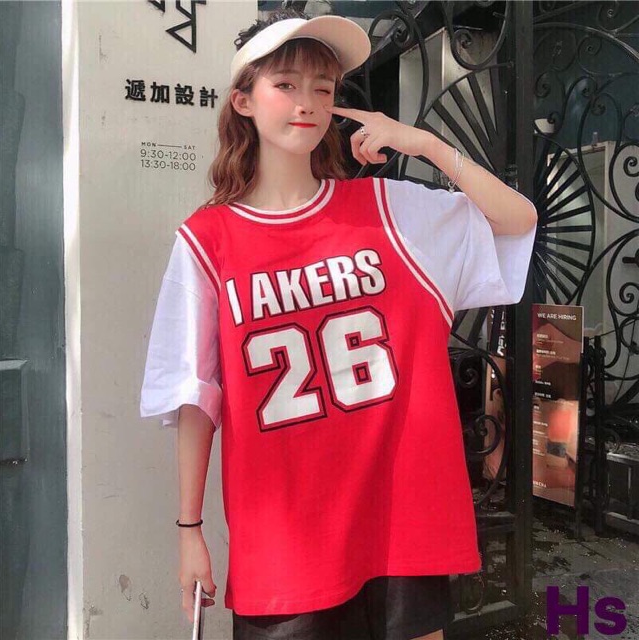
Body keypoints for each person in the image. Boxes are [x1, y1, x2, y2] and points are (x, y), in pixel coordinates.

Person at [139, 9, 538, 640]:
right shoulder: (208, 242)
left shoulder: (386, 211)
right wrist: (190, 531)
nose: (307, 103)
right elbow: (194, 397)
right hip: (286, 546)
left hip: (398, 525)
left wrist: (426, 145)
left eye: (322, 88)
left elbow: (517, 220)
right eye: (285, 85)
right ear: (243, 100)